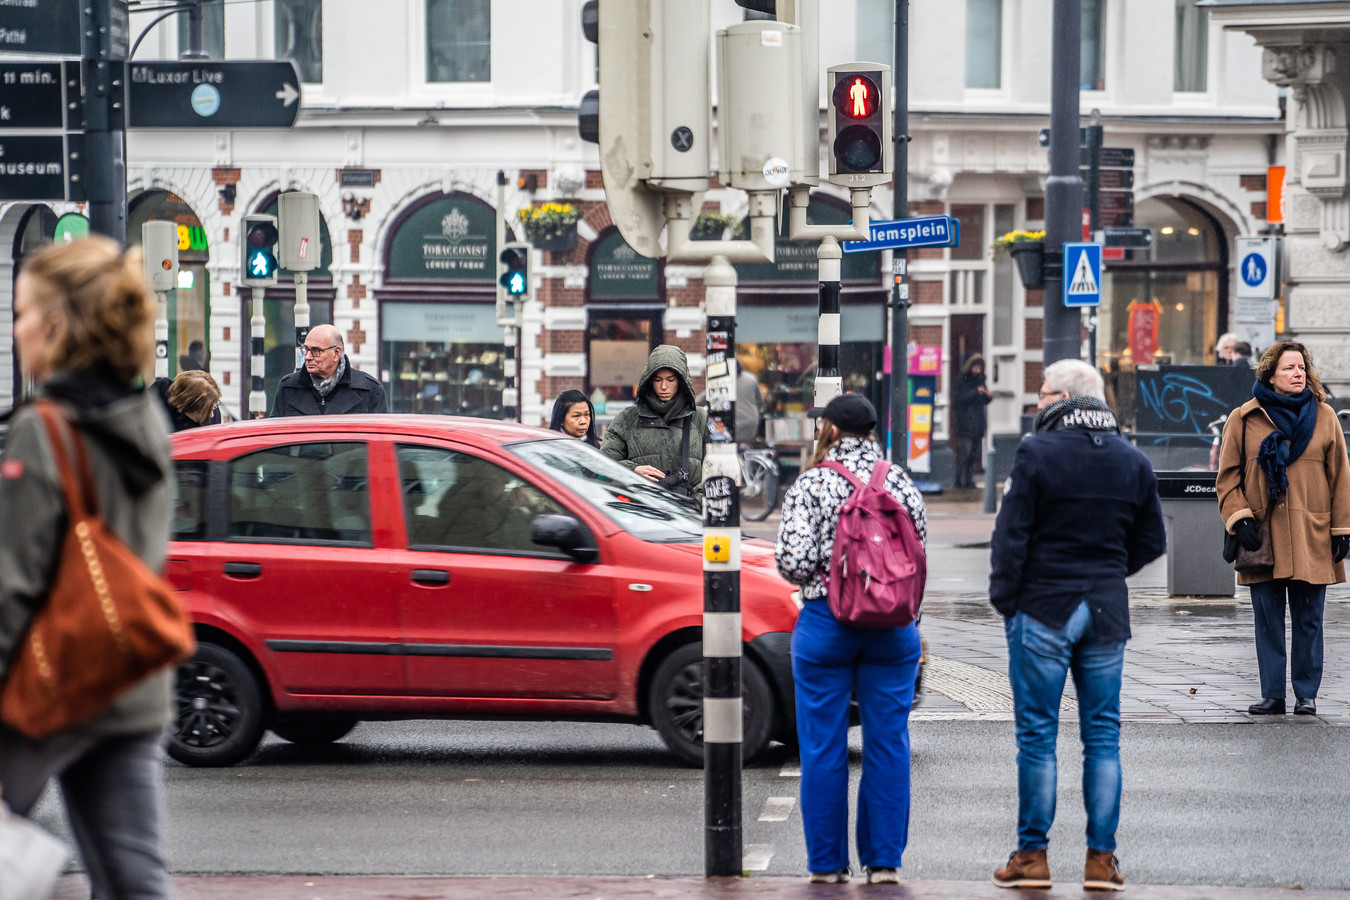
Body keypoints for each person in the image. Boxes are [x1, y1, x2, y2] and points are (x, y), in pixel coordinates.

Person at [0, 236, 175, 899]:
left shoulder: (43, 430)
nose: (16, 329)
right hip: (129, 682)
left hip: (49, 687)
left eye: (22, 313)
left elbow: (12, 589)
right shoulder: (145, 422)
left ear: (57, 325)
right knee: (136, 883)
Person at [989, 359, 1166, 892]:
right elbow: (1151, 540)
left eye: (1044, 393)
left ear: (1066, 397)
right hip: (1106, 610)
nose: (1037, 402)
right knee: (1103, 737)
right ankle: (1100, 861)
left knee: (1039, 736)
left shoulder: (1036, 452)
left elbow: (1011, 535)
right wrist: (1110, 571)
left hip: (1044, 606)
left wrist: (1007, 600)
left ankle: (1033, 857)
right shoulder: (1130, 459)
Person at [774, 393, 926, 885]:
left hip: (827, 623)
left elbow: (792, 563)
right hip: (892, 629)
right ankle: (883, 865)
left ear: (831, 431)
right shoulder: (901, 482)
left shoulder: (810, 484)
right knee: (888, 745)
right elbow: (917, 557)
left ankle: (827, 866)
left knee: (822, 747)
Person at [1216, 340, 1350, 718]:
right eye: (1290, 368)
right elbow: (1227, 479)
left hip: (1313, 534)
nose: (1298, 374)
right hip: (1263, 536)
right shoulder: (1243, 419)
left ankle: (1306, 695)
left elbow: (1341, 477)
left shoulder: (1324, 417)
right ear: (1270, 374)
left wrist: (1343, 529)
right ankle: (1272, 694)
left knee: (1309, 619)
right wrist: (1239, 518)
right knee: (1268, 621)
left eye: (1302, 367)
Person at [599, 344, 707, 502]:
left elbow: (715, 471)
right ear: (649, 381)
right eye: (658, 380)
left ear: (681, 382)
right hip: (643, 513)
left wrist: (695, 500)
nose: (664, 386)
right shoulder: (627, 419)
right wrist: (633, 470)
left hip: (689, 515)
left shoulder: (700, 419)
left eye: (670, 380)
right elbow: (603, 464)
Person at [270, 324, 388, 416]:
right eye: (306, 350)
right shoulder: (288, 388)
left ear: (336, 353)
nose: (307, 357)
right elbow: (275, 438)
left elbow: (381, 439)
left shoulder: (369, 390)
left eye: (316, 351)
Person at [951, 353, 993, 489]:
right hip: (965, 422)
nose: (978, 370)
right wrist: (976, 391)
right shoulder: (961, 380)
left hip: (977, 422)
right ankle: (960, 481)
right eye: (976, 367)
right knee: (966, 453)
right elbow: (958, 399)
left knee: (973, 454)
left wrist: (987, 396)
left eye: (980, 368)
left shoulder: (980, 380)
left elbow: (982, 400)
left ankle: (969, 481)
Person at [152, 369, 222, 432]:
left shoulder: (211, 408)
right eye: (204, 411)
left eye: (214, 407)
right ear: (187, 406)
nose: (212, 415)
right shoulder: (158, 395)